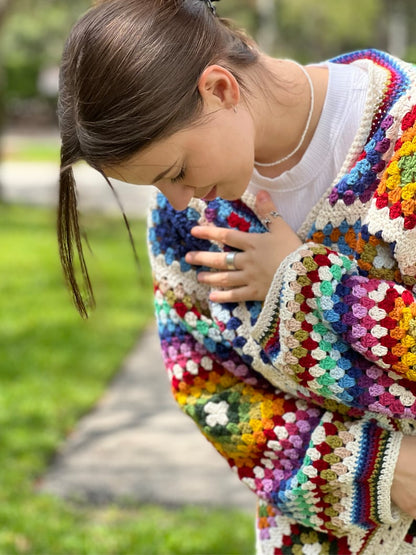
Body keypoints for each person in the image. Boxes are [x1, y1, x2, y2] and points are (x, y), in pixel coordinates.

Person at [56, 0, 416, 552]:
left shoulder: (404, 140)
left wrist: (309, 284)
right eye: (156, 187)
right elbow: (209, 386)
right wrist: (381, 470)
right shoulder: (192, 221)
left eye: (175, 171)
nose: (176, 199)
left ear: (220, 89)